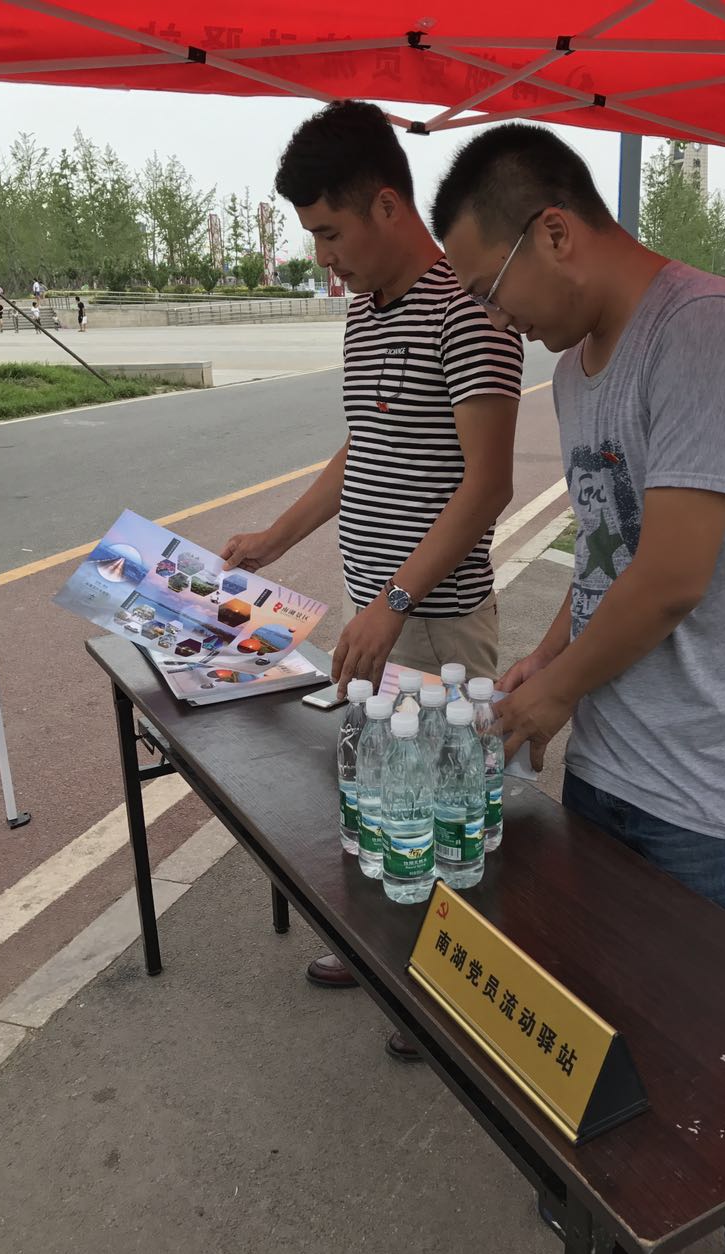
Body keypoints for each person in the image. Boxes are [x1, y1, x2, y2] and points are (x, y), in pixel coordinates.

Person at [432, 124, 725, 1254]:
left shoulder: (708, 332)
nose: (493, 321)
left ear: (555, 232)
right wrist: (544, 659)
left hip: (714, 787)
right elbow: (609, 556)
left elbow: (673, 576)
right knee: (617, 1028)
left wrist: (552, 694)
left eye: (490, 289)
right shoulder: (573, 373)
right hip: (614, 765)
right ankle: (626, 1214)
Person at [221, 100, 523, 1049]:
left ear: (387, 205)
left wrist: (397, 600)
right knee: (384, 794)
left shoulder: (471, 313)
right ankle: (386, 944)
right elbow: (366, 446)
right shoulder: (365, 315)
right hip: (379, 608)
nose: (325, 258)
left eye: (330, 233)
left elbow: (488, 485)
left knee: (445, 807)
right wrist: (276, 538)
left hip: (434, 618)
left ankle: (440, 990)